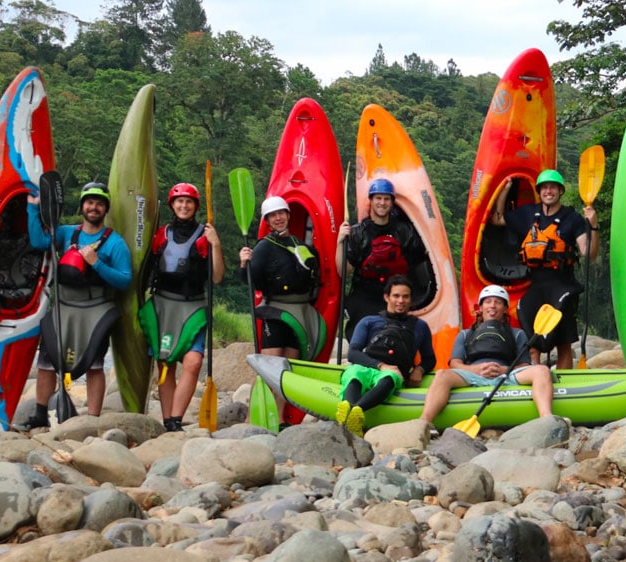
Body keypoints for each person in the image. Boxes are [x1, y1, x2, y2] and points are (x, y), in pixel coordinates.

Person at [21, 182, 133, 427]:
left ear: (106, 209)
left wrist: (96, 263)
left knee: (94, 363)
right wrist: (32, 209)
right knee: (47, 362)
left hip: (97, 310)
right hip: (65, 306)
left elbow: (125, 280)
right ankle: (40, 415)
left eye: (99, 203)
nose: (94, 207)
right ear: (82, 206)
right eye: (89, 202)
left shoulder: (115, 243)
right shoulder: (66, 233)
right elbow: (39, 242)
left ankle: (92, 419)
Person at [139, 182, 225, 432]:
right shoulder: (161, 234)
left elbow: (217, 277)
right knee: (165, 363)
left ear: (196, 206)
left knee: (193, 362)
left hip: (193, 307)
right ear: (172, 205)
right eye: (179, 201)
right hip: (163, 305)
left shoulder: (205, 235)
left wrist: (216, 244)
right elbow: (146, 269)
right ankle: (169, 422)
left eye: (189, 202)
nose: (184, 205)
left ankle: (176, 418)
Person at [492, 169, 598, 369]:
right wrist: (505, 188)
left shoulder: (572, 218)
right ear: (539, 191)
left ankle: (564, 385)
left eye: (553, 187)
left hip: (563, 286)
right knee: (533, 343)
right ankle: (536, 379)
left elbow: (589, 253)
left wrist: (593, 225)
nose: (549, 191)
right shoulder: (528, 214)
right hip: (537, 287)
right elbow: (497, 219)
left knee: (563, 344)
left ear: (560, 191)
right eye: (545, 188)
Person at [419, 284, 553, 426]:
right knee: (442, 375)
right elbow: (454, 363)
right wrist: (476, 369)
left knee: (542, 370)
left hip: (507, 374)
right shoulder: (465, 334)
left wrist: (504, 370)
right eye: (488, 302)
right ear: (480, 307)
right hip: (473, 375)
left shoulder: (517, 334)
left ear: (505, 308)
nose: (492, 306)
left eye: (498, 302)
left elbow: (525, 365)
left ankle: (546, 418)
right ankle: (424, 421)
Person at [338, 274, 436, 434]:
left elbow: (430, 359)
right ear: (386, 297)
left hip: (394, 373)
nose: (401, 301)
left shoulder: (420, 326)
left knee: (390, 378)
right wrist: (381, 366)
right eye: (396, 296)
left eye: (405, 297)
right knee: (354, 372)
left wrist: (419, 370)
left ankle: (356, 410)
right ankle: (349, 408)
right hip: (367, 367)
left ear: (411, 299)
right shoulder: (368, 321)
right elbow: (353, 354)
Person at [238, 196, 323, 366]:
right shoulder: (264, 247)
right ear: (267, 220)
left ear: (288, 215)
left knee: (290, 369)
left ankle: (283, 395)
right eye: (273, 215)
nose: (278, 218)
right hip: (275, 312)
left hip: (299, 312)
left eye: (281, 213)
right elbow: (247, 280)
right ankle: (261, 393)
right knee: (272, 367)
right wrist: (243, 263)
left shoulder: (300, 245)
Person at [336, 178, 428, 336]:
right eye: (378, 198)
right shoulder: (358, 232)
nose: (382, 203)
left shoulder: (405, 231)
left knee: (391, 341)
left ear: (392, 202)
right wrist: (339, 242)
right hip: (364, 296)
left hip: (395, 297)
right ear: (371, 201)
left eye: (386, 199)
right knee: (362, 341)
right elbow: (343, 271)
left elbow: (420, 262)